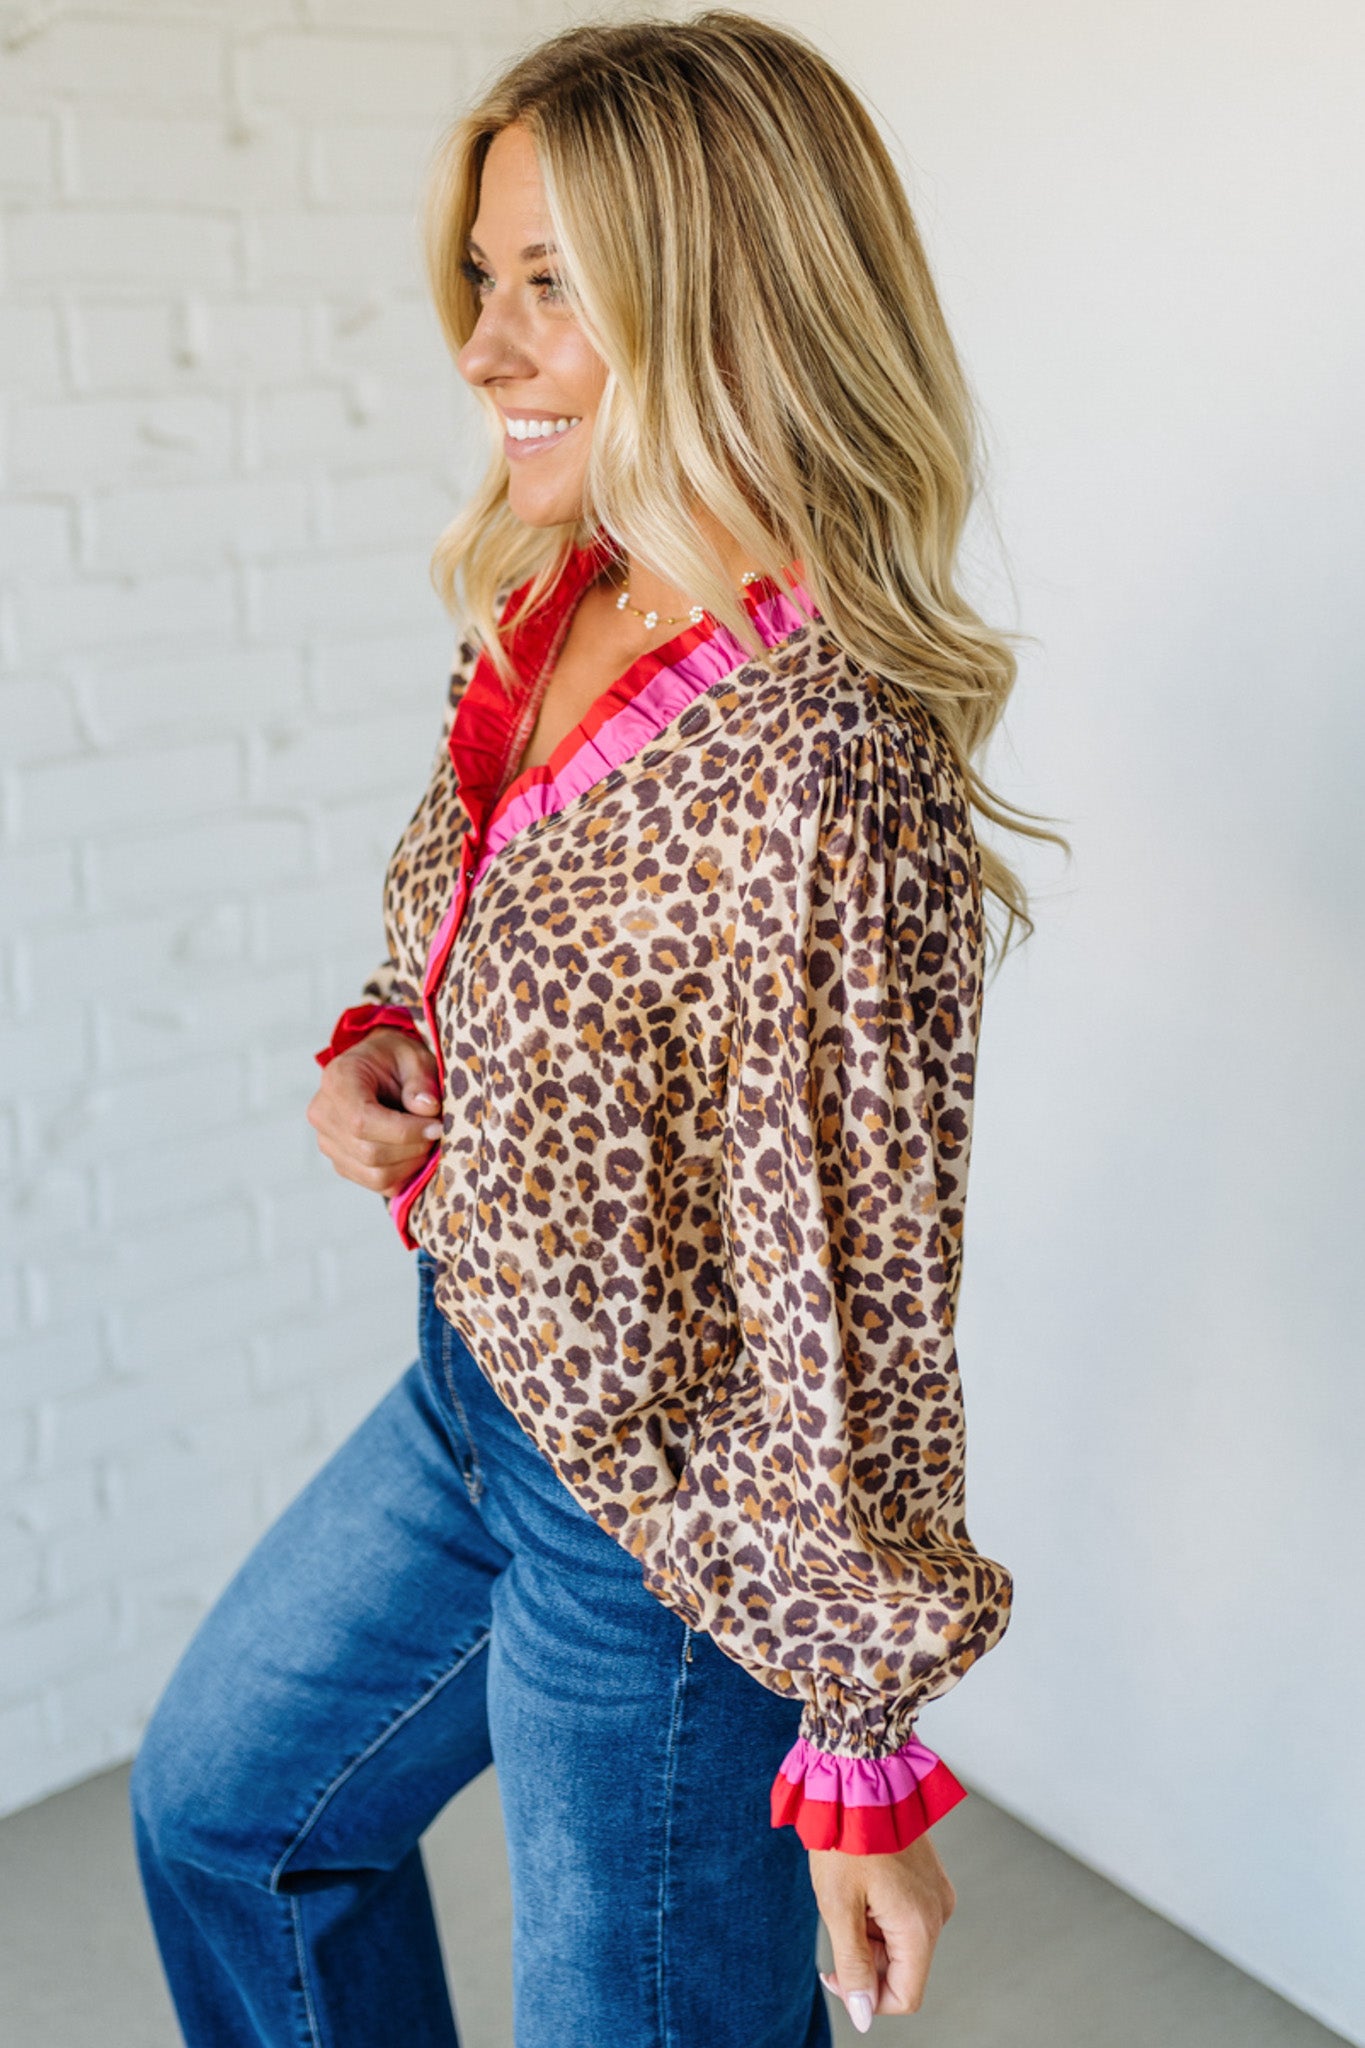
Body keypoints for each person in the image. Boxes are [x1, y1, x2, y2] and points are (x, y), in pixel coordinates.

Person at [129, 13, 1061, 2045]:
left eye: (551, 284)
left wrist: (856, 1748)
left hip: (667, 1534)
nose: (482, 346)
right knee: (225, 1823)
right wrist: (394, 1032)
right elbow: (468, 896)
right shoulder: (565, 583)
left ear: (724, 295)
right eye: (484, 276)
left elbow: (860, 1308)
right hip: (469, 1399)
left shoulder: (820, 763)